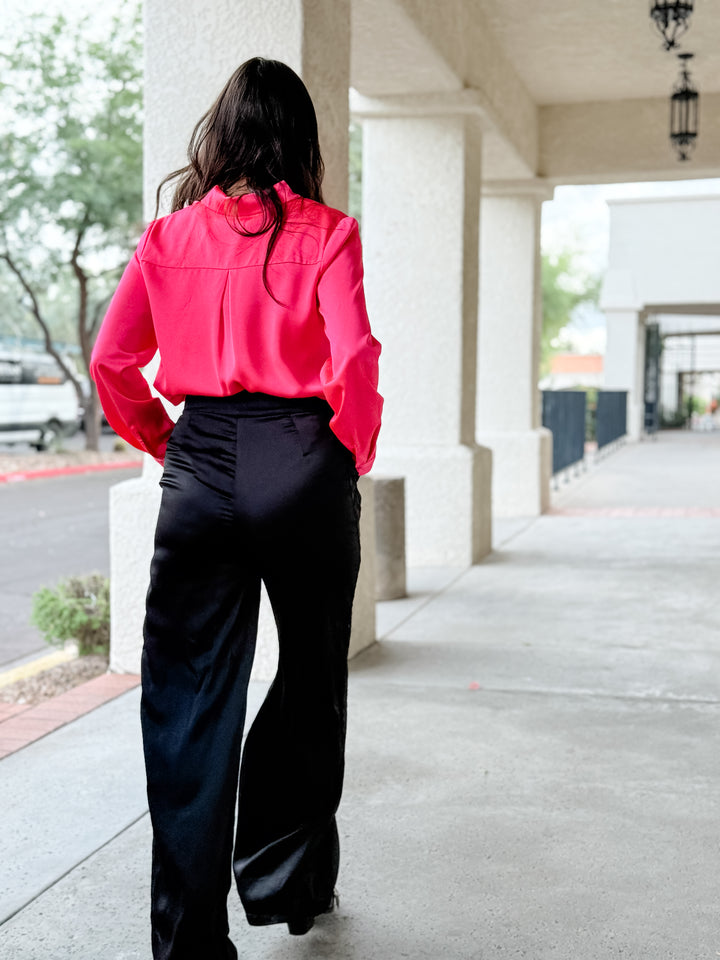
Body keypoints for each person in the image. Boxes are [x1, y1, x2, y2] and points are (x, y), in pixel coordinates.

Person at [90, 57, 382, 960]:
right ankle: (289, 878)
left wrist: (168, 444)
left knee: (186, 700)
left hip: (204, 460)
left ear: (219, 134)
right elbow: (356, 359)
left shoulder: (168, 238)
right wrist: (346, 458)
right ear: (304, 138)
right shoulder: (329, 232)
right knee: (311, 678)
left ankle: (187, 939)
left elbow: (112, 362)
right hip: (301, 456)